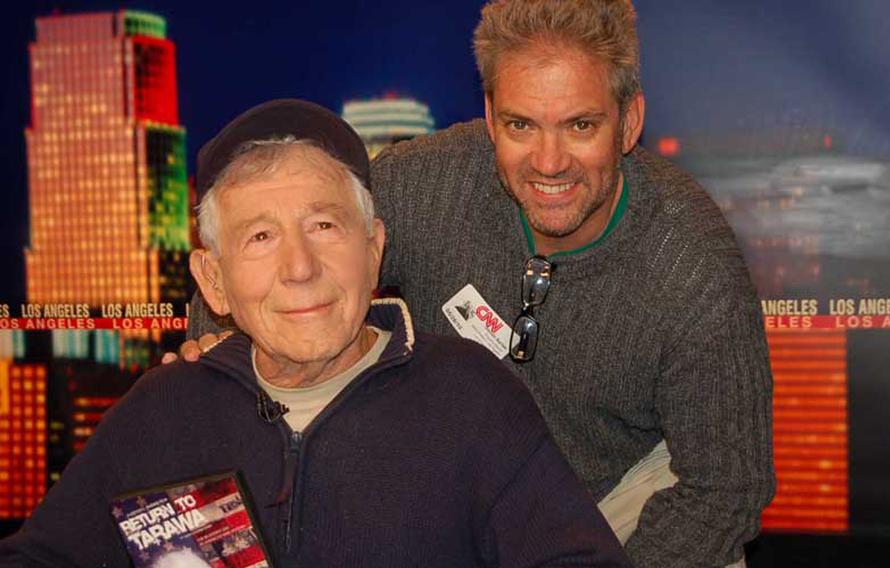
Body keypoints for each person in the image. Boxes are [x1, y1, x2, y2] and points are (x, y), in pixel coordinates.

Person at [182, 1, 776, 566]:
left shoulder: (692, 259)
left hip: (609, 498)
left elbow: (726, 486)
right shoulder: (426, 181)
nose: (549, 162)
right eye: (521, 124)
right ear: (490, 117)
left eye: (580, 126)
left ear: (628, 123)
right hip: (440, 487)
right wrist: (219, 337)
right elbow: (290, 247)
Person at [0, 99, 631, 567]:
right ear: (213, 283)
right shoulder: (163, 411)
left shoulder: (467, 395)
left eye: (325, 226)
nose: (299, 268)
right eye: (261, 237)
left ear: (375, 251)